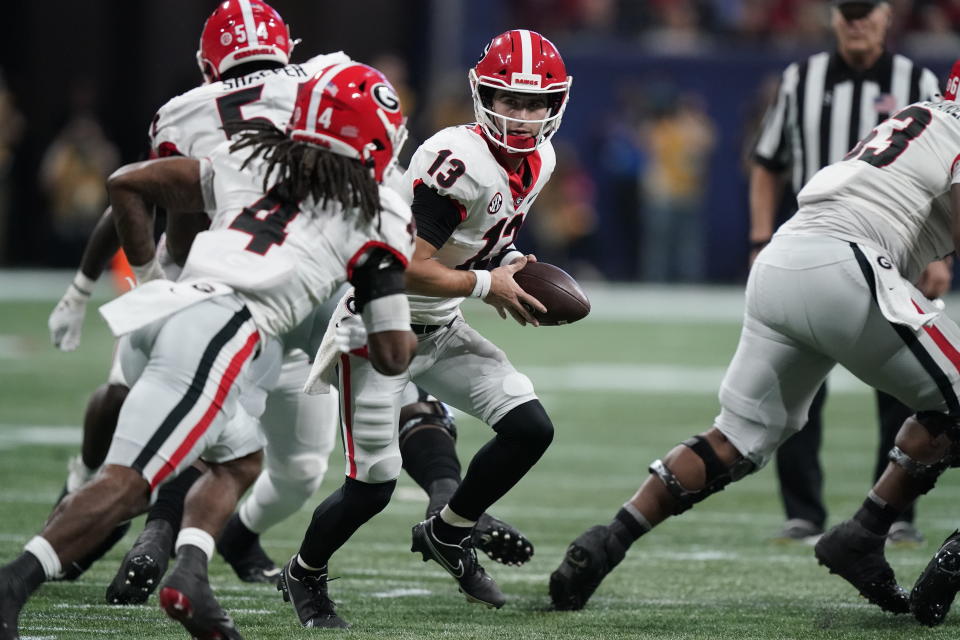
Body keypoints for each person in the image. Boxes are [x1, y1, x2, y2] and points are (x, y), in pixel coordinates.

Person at [45, 0, 535, 605]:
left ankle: (132, 524)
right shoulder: (320, 86)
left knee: (188, 426)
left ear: (207, 63)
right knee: (267, 439)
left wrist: (127, 283)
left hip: (206, 286)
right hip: (274, 290)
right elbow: (392, 324)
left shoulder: (199, 119)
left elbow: (133, 187)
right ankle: (150, 538)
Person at [0, 59, 418, 640]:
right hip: (220, 330)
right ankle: (12, 585)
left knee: (241, 458)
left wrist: (149, 279)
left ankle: (191, 572)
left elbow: (128, 181)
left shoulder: (253, 157)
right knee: (128, 484)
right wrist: (390, 322)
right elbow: (394, 355)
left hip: (173, 307)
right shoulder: (379, 211)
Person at [550, 70, 960, 613]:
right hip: (846, 263)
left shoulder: (925, 117)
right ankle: (873, 533)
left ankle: (609, 539)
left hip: (786, 258)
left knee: (737, 437)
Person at [278, 29, 570, 627]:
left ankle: (449, 531)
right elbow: (405, 266)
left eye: (533, 102)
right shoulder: (456, 162)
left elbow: (479, 246)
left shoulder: (539, 161)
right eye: (508, 100)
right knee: (373, 486)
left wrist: (506, 265)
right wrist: (488, 285)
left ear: (555, 105)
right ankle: (303, 573)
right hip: (379, 331)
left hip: (440, 325)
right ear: (482, 95)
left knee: (530, 428)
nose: (521, 115)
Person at [748, 0, 946, 544]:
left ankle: (896, 511)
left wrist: (940, 258)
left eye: (867, 11)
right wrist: (759, 239)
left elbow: (944, 176)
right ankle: (802, 511)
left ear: (888, 16)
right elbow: (768, 164)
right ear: (833, 16)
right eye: (847, 10)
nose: (856, 21)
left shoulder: (920, 80)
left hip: (897, 254)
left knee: (907, 387)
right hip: (813, 251)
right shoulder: (801, 78)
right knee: (794, 381)